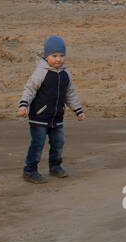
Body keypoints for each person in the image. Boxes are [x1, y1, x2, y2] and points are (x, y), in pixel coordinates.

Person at [17, 35, 85, 183]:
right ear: (46, 56)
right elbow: (30, 89)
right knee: (38, 144)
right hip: (39, 117)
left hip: (57, 118)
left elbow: (70, 94)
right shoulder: (40, 72)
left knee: (58, 143)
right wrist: (23, 105)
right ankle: (30, 170)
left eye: (61, 56)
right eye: (54, 56)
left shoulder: (66, 74)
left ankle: (55, 166)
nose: (58, 59)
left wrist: (78, 111)